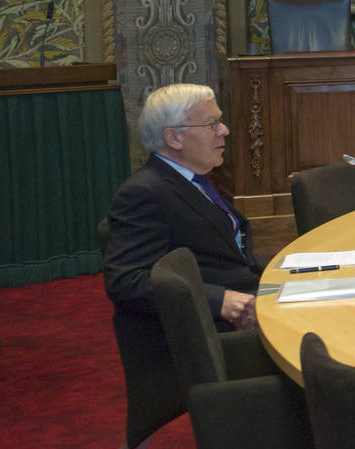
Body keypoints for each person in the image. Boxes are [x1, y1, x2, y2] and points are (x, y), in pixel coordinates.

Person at [103, 84, 263, 332]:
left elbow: (228, 256)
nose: (224, 130)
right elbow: (127, 282)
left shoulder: (193, 179)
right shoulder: (143, 192)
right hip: (207, 330)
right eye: (212, 124)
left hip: (248, 297)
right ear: (174, 138)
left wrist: (284, 272)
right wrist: (218, 301)